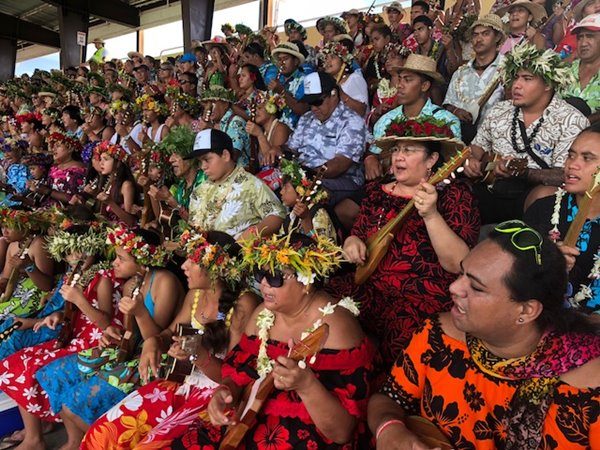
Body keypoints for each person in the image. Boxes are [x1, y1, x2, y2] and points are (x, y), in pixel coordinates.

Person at [368, 222, 600, 450]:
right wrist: (389, 428)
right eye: (462, 273)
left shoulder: (587, 389)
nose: (454, 288)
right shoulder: (439, 335)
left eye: (476, 287)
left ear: (526, 311)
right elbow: (390, 398)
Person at [171, 231, 374, 449]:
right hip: (247, 423)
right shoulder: (262, 315)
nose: (264, 284)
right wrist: (225, 393)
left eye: (276, 277)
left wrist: (306, 385)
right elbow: (239, 375)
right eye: (260, 275)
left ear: (305, 281)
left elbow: (342, 432)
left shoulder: (337, 327)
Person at [80, 230, 259, 449]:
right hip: (182, 383)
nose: (183, 266)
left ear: (215, 268)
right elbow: (168, 335)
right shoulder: (195, 296)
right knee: (103, 433)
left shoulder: (244, 305)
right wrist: (153, 342)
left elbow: (236, 376)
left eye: (191, 262)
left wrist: (199, 356)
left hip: (215, 398)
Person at [336, 116, 480, 373]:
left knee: (403, 342)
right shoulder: (376, 190)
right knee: (326, 313)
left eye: (409, 150)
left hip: (419, 296)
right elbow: (357, 233)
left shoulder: (455, 195)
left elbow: (457, 263)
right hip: (369, 286)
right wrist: (352, 241)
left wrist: (431, 215)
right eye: (396, 150)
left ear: (432, 160)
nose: (398, 157)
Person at [36, 227, 183, 449]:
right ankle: (76, 442)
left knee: (75, 402)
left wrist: (140, 312)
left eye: (121, 258)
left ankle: (102, 442)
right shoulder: (131, 284)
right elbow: (130, 334)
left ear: (143, 261)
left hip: (152, 357)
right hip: (131, 350)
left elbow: (154, 339)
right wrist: (113, 335)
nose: (114, 263)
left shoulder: (164, 281)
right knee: (54, 373)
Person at [0, 224, 120, 450]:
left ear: (92, 248)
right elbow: (67, 311)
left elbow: (106, 324)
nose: (75, 256)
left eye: (79, 250)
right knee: (13, 364)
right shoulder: (73, 275)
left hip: (92, 340)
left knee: (33, 367)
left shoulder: (102, 277)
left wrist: (79, 300)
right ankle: (34, 437)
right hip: (70, 334)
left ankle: (52, 438)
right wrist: (54, 315)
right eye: (70, 252)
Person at [464, 42, 590, 224]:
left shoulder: (571, 120)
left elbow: (565, 174)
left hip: (534, 197)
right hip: (491, 188)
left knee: (548, 196)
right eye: (515, 78)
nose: (517, 85)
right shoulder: (499, 110)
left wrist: (523, 173)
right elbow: (477, 146)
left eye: (527, 79)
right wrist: (471, 161)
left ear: (547, 84)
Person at [524, 123, 600, 316]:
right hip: (547, 320)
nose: (572, 165)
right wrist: (547, 262)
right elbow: (514, 274)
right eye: (571, 155)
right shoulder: (544, 209)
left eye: (587, 158)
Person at [365, 54, 461, 182]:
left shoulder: (447, 121)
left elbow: (452, 163)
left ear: (424, 86)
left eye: (408, 80)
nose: (399, 85)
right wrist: (370, 158)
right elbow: (375, 152)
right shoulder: (386, 120)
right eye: (399, 79)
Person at [187, 129, 285, 240]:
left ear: (225, 155)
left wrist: (250, 235)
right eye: (200, 161)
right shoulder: (198, 192)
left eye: (207, 159)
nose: (203, 166)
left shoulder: (250, 184)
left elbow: (277, 215)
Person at [287, 71, 367, 207]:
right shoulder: (306, 118)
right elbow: (291, 148)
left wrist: (306, 174)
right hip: (307, 174)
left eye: (317, 102)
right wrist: (278, 152)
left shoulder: (352, 121)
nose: (313, 108)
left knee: (310, 191)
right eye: (310, 103)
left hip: (343, 179)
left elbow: (340, 164)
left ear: (334, 94)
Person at [444, 14, 506, 144]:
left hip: (495, 141)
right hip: (461, 141)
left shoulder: (507, 70)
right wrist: (456, 111)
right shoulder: (460, 73)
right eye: (475, 35)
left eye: (485, 34)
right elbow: (447, 105)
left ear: (498, 37)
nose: (479, 39)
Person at [279, 158, 336, 241]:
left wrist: (306, 220)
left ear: (300, 191)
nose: (281, 192)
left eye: (286, 188)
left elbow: (322, 248)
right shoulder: (290, 216)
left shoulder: (319, 213)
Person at [197, 85, 251, 168]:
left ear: (225, 104)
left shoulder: (235, 122)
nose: (209, 108)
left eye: (213, 102)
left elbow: (231, 157)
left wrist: (212, 131)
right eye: (207, 104)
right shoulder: (216, 124)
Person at [563, 14, 600, 120]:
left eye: (590, 36)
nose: (583, 43)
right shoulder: (567, 70)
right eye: (580, 38)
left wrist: (582, 123)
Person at [320, 41, 369, 117]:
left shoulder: (354, 78)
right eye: (326, 58)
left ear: (343, 60)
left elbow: (361, 111)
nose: (327, 62)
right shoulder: (327, 83)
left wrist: (341, 94)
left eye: (332, 57)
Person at [268, 42, 309, 130]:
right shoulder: (278, 80)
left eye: (285, 58)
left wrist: (282, 92)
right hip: (277, 130)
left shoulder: (305, 80)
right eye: (279, 59)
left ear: (296, 61)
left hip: (297, 132)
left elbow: (303, 110)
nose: (281, 63)